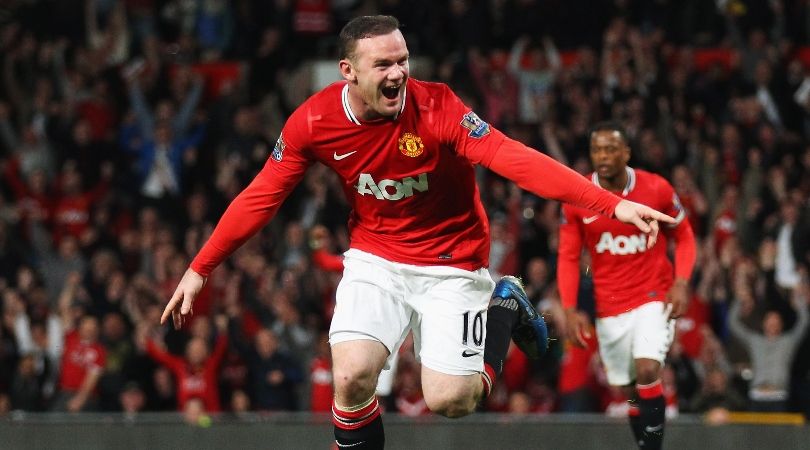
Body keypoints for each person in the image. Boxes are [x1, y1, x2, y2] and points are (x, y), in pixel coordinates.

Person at [161, 16, 674, 449]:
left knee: (452, 401)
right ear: (348, 72)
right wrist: (199, 268)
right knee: (350, 377)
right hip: (376, 258)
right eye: (382, 64)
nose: (398, 73)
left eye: (402, 60)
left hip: (452, 263)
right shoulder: (312, 122)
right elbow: (261, 196)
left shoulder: (438, 107)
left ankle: (505, 305)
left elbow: (512, 158)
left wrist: (609, 204)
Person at [557, 121, 696, 450]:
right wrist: (569, 307)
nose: (602, 156)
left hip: (654, 295)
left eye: (610, 149)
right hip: (610, 305)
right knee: (629, 389)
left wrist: (681, 281)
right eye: (596, 150)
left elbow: (685, 235)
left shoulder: (656, 188)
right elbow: (567, 256)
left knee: (648, 368)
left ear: (626, 153)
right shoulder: (577, 198)